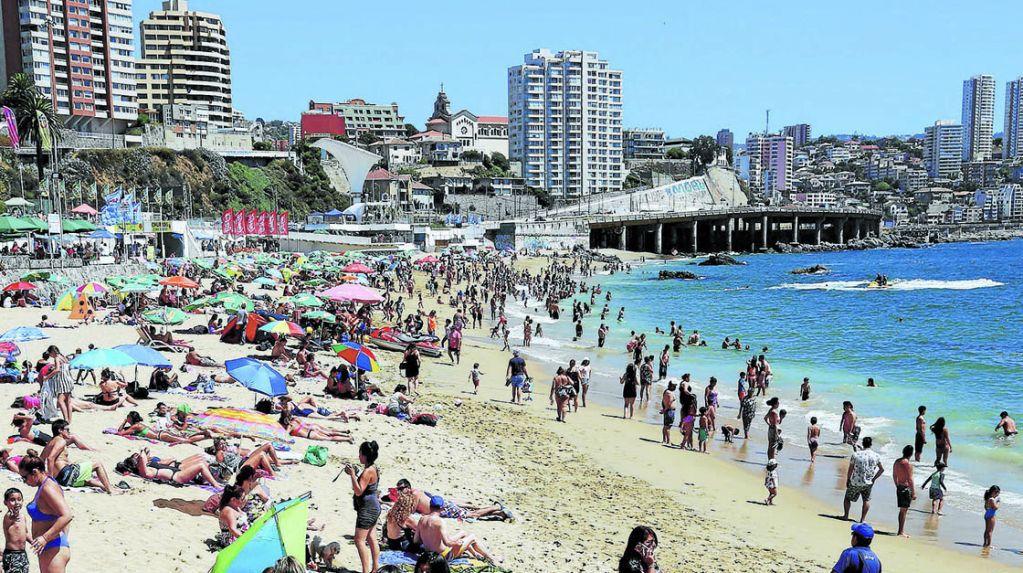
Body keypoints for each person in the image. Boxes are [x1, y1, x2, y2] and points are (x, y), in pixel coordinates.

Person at [18, 455, 72, 573]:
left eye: (24, 477)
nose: (24, 482)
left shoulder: (47, 488)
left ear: (34, 472)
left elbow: (66, 515)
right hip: (50, 545)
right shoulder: (46, 484)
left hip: (53, 546)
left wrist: (45, 538)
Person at [40, 421, 116, 495]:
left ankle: (107, 487)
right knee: (98, 464)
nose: (69, 432)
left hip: (62, 479)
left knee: (87, 480)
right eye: (67, 430)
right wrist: (51, 478)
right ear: (60, 430)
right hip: (66, 473)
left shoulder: (51, 442)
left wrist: (44, 473)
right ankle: (110, 490)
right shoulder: (61, 441)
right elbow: (50, 458)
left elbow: (41, 459)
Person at [414, 496, 496, 562]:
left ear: (430, 506)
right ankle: (492, 559)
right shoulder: (439, 521)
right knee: (472, 537)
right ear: (442, 508)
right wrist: (456, 543)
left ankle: (475, 554)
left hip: (428, 555)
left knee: (463, 533)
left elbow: (416, 540)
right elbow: (448, 543)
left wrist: (429, 540)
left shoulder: (422, 519)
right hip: (443, 557)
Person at [346, 441, 380, 573]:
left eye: (360, 454)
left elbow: (359, 490)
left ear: (365, 455)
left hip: (368, 509)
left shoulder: (368, 471)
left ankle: (366, 570)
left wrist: (353, 475)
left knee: (359, 540)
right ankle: (375, 568)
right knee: (372, 538)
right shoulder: (374, 468)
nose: (359, 456)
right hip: (373, 506)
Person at [842, 437, 884, 523]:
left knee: (847, 498)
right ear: (871, 444)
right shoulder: (876, 456)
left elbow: (850, 469)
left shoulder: (856, 454)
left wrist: (848, 479)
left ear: (863, 443)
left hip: (855, 481)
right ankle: (862, 519)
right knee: (866, 500)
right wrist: (874, 479)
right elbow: (881, 469)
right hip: (868, 482)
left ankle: (846, 516)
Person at [42, 347, 73, 426]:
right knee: (68, 401)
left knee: (60, 400)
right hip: (69, 379)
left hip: (63, 380)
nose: (50, 356)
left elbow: (57, 370)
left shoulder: (56, 358)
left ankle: (66, 419)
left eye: (50, 354)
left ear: (52, 352)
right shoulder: (63, 357)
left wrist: (47, 377)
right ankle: (69, 419)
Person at [3, 488, 29, 573]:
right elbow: (10, 516)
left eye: (19, 499)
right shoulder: (8, 516)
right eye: (12, 500)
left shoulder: (23, 517)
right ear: (5, 503)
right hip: (12, 555)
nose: (17, 502)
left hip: (22, 554)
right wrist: (13, 514)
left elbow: (26, 533)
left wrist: (34, 543)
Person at [892, 445, 915, 537]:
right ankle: (901, 531)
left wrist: (897, 484)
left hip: (899, 486)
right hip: (905, 488)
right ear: (911, 454)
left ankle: (900, 530)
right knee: (904, 510)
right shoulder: (907, 464)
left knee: (902, 510)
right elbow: (910, 479)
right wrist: (913, 492)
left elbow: (894, 475)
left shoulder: (897, 462)